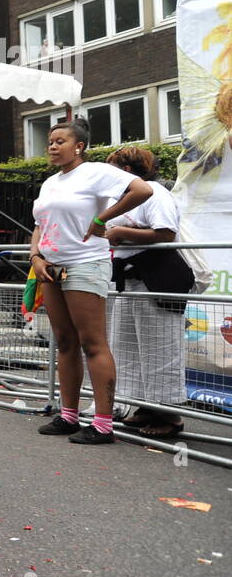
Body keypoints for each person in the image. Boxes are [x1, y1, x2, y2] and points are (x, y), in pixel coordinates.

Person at [30, 117, 152, 444]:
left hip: (86, 263)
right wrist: (35, 257)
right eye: (50, 142)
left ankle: (103, 424)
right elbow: (39, 226)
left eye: (60, 141)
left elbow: (142, 189)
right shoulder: (50, 182)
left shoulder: (96, 171)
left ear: (79, 146)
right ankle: (69, 416)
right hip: (51, 268)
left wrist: (102, 219)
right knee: (64, 341)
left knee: (92, 343)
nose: (52, 146)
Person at [104, 146, 191, 439]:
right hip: (130, 279)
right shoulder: (123, 198)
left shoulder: (155, 192)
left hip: (157, 278)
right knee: (128, 345)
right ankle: (143, 406)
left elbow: (166, 232)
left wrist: (122, 233)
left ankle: (169, 414)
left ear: (126, 172)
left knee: (159, 345)